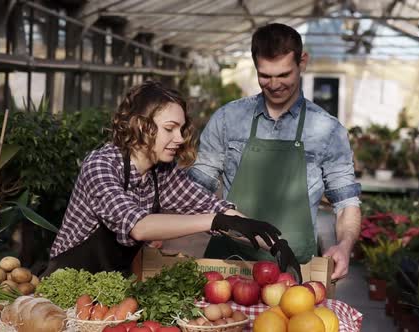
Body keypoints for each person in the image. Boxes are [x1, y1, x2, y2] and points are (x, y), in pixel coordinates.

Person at [44, 81, 286, 276]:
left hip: (112, 290)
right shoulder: (101, 165)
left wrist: (275, 245)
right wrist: (216, 221)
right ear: (141, 126)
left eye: (181, 129)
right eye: (170, 128)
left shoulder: (162, 173)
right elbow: (138, 226)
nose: (180, 138)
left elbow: (215, 208)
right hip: (66, 287)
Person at [189, 23, 362, 280]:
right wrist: (162, 227)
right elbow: (196, 187)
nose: (274, 85)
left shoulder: (328, 130)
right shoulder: (228, 119)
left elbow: (346, 202)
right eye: (265, 76)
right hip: (227, 266)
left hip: (294, 270)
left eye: (283, 75)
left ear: (302, 62)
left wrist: (344, 246)